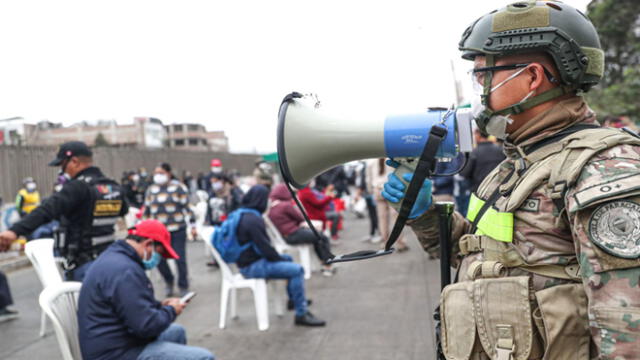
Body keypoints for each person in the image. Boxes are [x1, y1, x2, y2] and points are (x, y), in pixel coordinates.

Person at [382, 2, 640, 358]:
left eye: (482, 75)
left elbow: (628, 328)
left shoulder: (601, 168)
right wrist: (424, 214)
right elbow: (475, 255)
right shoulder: (517, 165)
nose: (478, 89)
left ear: (532, 78)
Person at [78, 219, 214, 360]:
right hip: (115, 353)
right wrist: (171, 311)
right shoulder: (125, 271)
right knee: (204, 357)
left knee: (176, 332)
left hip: (116, 341)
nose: (157, 259)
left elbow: (129, 307)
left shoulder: (118, 258)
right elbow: (146, 327)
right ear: (148, 244)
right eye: (158, 253)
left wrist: (158, 306)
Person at [0, 141, 128, 281]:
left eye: (62, 165)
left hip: (85, 266)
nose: (62, 171)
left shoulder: (78, 187)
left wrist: (14, 231)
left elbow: (47, 210)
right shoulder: (113, 186)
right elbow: (123, 210)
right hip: (110, 260)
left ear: (74, 161)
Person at [237, 185, 326, 326]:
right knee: (297, 270)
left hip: (246, 262)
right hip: (252, 266)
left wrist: (279, 258)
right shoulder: (254, 220)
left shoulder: (243, 214)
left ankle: (293, 300)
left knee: (289, 259)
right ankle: (301, 313)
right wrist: (277, 258)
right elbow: (265, 248)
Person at [144, 163, 195, 297]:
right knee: (158, 260)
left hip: (177, 229)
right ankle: (169, 280)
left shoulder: (178, 188)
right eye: (156, 173)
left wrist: (193, 226)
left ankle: (183, 285)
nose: (158, 176)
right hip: (158, 232)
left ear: (169, 173)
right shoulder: (151, 190)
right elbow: (147, 210)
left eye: (161, 173)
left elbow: (187, 208)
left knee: (180, 259)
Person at [268, 183, 335, 276]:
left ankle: (324, 262)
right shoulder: (285, 205)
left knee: (316, 237)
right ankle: (328, 264)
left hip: (286, 236)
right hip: (293, 234)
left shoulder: (273, 206)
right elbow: (300, 218)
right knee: (322, 237)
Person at [368, 158, 408, 251]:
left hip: (377, 190)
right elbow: (399, 175)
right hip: (391, 189)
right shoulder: (391, 160)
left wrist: (371, 190)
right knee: (395, 217)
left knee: (382, 218)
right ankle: (400, 242)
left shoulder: (371, 162)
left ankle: (385, 242)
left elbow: (368, 179)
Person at [460, 129, 506, 193]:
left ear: (478, 135)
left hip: (479, 192)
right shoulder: (500, 150)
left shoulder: (474, 152)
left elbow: (464, 173)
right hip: (498, 192)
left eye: (474, 134)